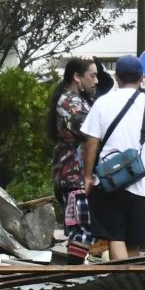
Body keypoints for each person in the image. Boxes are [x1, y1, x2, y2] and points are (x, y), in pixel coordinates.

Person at [81, 55, 145, 290]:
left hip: (109, 183)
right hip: (141, 183)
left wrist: (88, 176)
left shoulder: (103, 103)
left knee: (115, 237)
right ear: (142, 78)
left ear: (116, 78)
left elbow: (90, 142)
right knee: (132, 240)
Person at [47, 57, 98, 265]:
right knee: (82, 228)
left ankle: (76, 275)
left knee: (81, 227)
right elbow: (92, 132)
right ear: (77, 77)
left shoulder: (80, 99)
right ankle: (76, 278)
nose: (96, 81)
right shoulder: (70, 103)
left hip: (74, 174)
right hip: (73, 175)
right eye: (92, 75)